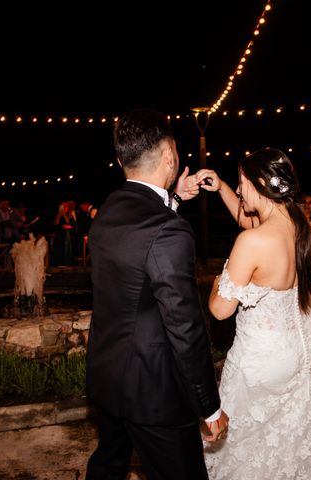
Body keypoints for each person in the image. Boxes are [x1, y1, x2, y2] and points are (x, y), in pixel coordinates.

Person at [86, 108, 228, 480]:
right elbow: (185, 326)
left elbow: (140, 246)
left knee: (108, 465)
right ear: (171, 156)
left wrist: (174, 197)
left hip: (108, 378)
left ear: (121, 160)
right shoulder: (169, 231)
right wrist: (209, 406)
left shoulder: (107, 213)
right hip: (153, 393)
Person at [196, 149, 311, 479]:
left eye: (241, 183)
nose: (239, 188)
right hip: (300, 352)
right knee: (287, 446)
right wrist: (221, 189)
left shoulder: (251, 242)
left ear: (260, 183)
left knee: (243, 448)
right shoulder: (298, 224)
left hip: (261, 360)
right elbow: (249, 220)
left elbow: (220, 311)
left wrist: (218, 283)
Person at [51, 200, 78, 266]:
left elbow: (72, 226)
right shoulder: (59, 215)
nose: (65, 208)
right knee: (59, 253)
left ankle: (67, 264)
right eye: (63, 206)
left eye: (66, 206)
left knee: (67, 253)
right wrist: (59, 214)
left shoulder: (69, 215)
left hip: (67, 238)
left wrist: (69, 227)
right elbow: (55, 224)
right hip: (60, 238)